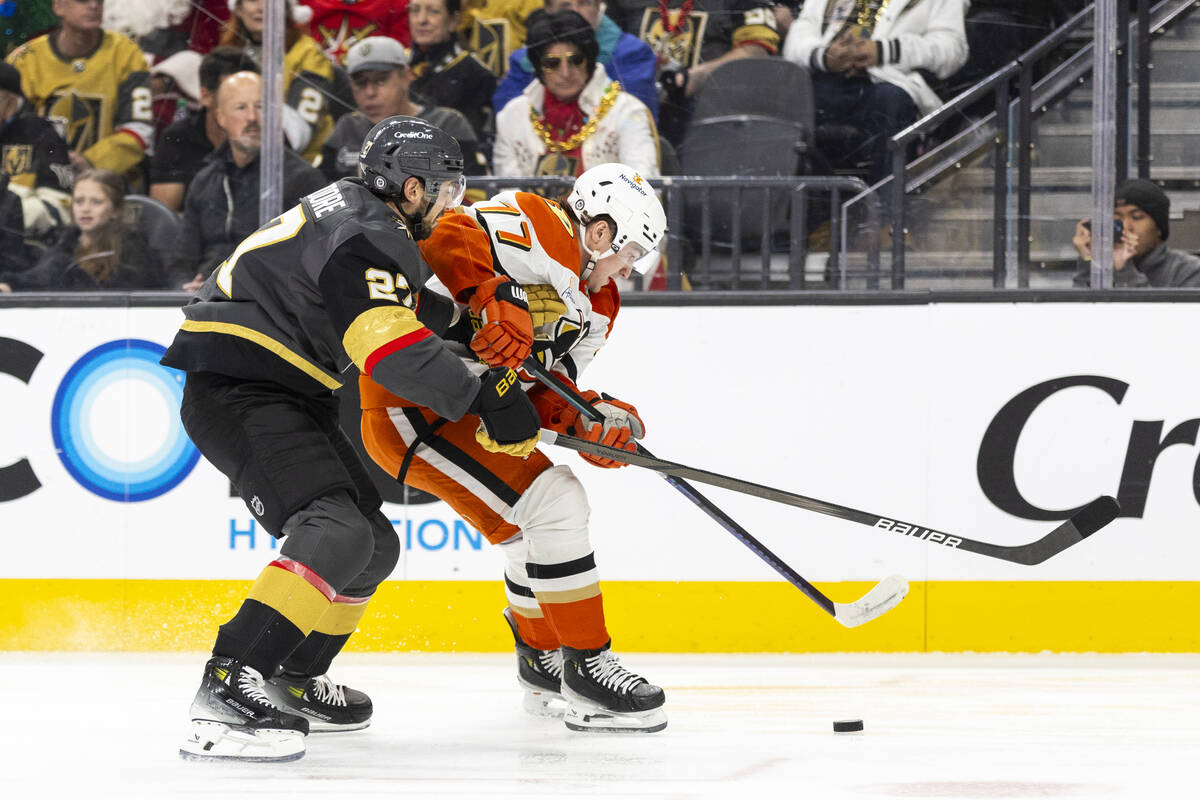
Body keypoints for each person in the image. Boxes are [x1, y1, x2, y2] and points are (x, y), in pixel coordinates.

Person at [163, 116, 542, 762]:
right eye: (448, 191)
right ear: (413, 188)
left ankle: (290, 676)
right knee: (335, 530)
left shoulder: (358, 214)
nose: (455, 204)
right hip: (241, 382)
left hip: (270, 381)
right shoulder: (371, 232)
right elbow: (381, 341)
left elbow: (377, 300)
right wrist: (480, 399)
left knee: (372, 546)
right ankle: (229, 681)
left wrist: (462, 322)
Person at [359, 161, 669, 733]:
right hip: (416, 402)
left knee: (533, 526)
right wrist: (491, 297)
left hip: (475, 412)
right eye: (630, 253)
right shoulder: (536, 220)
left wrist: (590, 420)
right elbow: (444, 235)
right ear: (601, 233)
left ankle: (543, 661)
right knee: (555, 503)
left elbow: (542, 386)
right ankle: (587, 667)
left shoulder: (599, 305)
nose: (629, 270)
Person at [782, 0, 969, 185]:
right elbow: (798, 35)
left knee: (892, 100)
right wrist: (824, 55)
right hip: (825, 77)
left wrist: (883, 50)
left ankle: (886, 207)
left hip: (884, 82)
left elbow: (951, 49)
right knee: (781, 97)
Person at [169, 71, 326, 290]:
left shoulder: (303, 179)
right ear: (220, 118)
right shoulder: (204, 181)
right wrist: (184, 287)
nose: (252, 117)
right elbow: (182, 261)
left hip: (269, 304)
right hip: (207, 301)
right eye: (241, 108)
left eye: (261, 107)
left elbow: (316, 262)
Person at [493, 10, 659, 179]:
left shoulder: (626, 112)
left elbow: (643, 186)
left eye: (575, 60)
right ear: (538, 67)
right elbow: (506, 196)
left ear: (589, 60)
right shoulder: (512, 116)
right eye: (552, 63)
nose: (565, 73)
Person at [5, 0, 154, 179]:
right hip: (34, 178)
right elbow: (11, 129)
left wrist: (91, 161)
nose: (93, 6)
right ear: (58, 6)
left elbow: (139, 128)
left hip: (106, 182)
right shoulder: (24, 59)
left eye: (99, 1)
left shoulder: (126, 54)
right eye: (82, 0)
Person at [605, 0, 780, 144]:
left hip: (713, 118)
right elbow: (601, 42)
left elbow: (757, 50)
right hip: (636, 114)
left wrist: (698, 76)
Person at [319, 36, 485, 181]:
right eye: (360, 83)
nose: (369, 93)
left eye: (380, 81)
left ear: (406, 77)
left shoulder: (447, 125)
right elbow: (319, 196)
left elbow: (475, 194)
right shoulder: (347, 128)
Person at [0, 168, 165, 291]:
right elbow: (38, 278)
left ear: (115, 210)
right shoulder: (64, 242)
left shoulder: (134, 252)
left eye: (96, 202)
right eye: (79, 201)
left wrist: (68, 273)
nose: (85, 209)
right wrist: (10, 285)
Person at [492, 0, 659, 121]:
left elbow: (636, 119)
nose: (576, 12)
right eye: (566, 5)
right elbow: (508, 118)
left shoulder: (633, 53)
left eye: (584, 3)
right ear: (548, 10)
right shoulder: (523, 60)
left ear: (598, 6)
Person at [221, 0, 336, 163]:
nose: (261, 7)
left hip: (304, 165)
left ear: (286, 9)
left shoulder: (308, 53)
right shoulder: (227, 52)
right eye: (253, 0)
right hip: (241, 163)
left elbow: (299, 131)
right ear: (238, 9)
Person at [149, 47, 259, 212]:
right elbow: (164, 218)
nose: (251, 116)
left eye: (256, 102)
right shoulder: (177, 138)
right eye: (233, 98)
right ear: (206, 96)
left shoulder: (269, 137)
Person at [1072, 179, 1200, 288]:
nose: (1126, 227)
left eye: (1137, 217)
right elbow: (1080, 312)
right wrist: (1089, 260)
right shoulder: (1104, 267)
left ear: (1159, 228)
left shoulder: (1189, 270)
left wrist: (1125, 272)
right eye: (1117, 219)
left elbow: (1158, 316)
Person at [0, 61, 72, 244]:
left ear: (11, 102)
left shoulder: (43, 134)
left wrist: (9, 212)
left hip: (20, 249)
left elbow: (61, 205)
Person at [408, 0, 497, 146]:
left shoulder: (476, 76)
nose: (421, 20)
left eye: (433, 11)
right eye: (415, 10)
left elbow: (474, 142)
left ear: (453, 21)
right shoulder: (399, 69)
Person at [300, 0, 412, 64]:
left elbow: (397, 63)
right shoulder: (303, 3)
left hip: (373, 86)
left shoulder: (397, 5)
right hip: (314, 83)